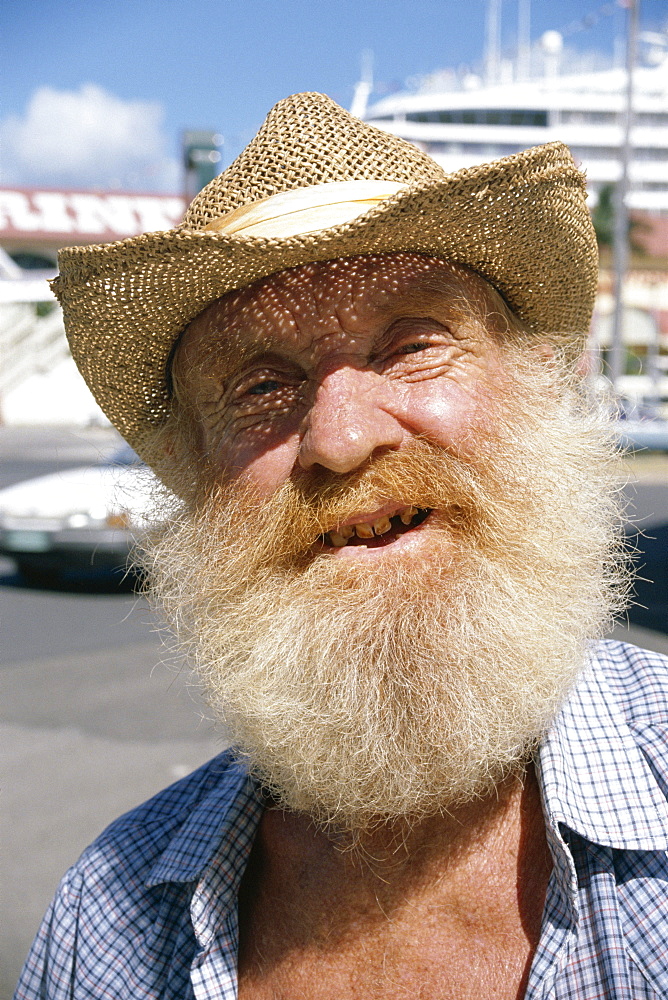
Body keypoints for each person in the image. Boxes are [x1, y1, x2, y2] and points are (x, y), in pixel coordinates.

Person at [14, 92, 668, 1000]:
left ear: (536, 382)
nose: (341, 437)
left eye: (410, 346)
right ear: (195, 474)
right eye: (260, 387)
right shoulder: (108, 921)